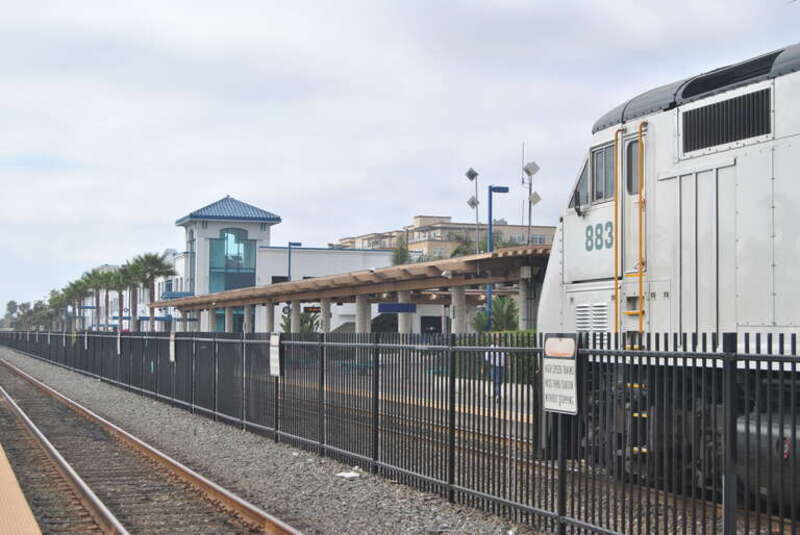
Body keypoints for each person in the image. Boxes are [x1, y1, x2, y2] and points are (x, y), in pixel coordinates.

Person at [484, 336, 505, 401]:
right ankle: (497, 395)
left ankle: (495, 394)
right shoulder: (491, 347)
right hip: (494, 366)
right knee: (497, 381)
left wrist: (508, 364)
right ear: (494, 340)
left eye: (499, 339)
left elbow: (507, 355)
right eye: (497, 339)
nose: (499, 341)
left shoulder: (502, 347)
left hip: (501, 366)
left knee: (499, 381)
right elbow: (487, 358)